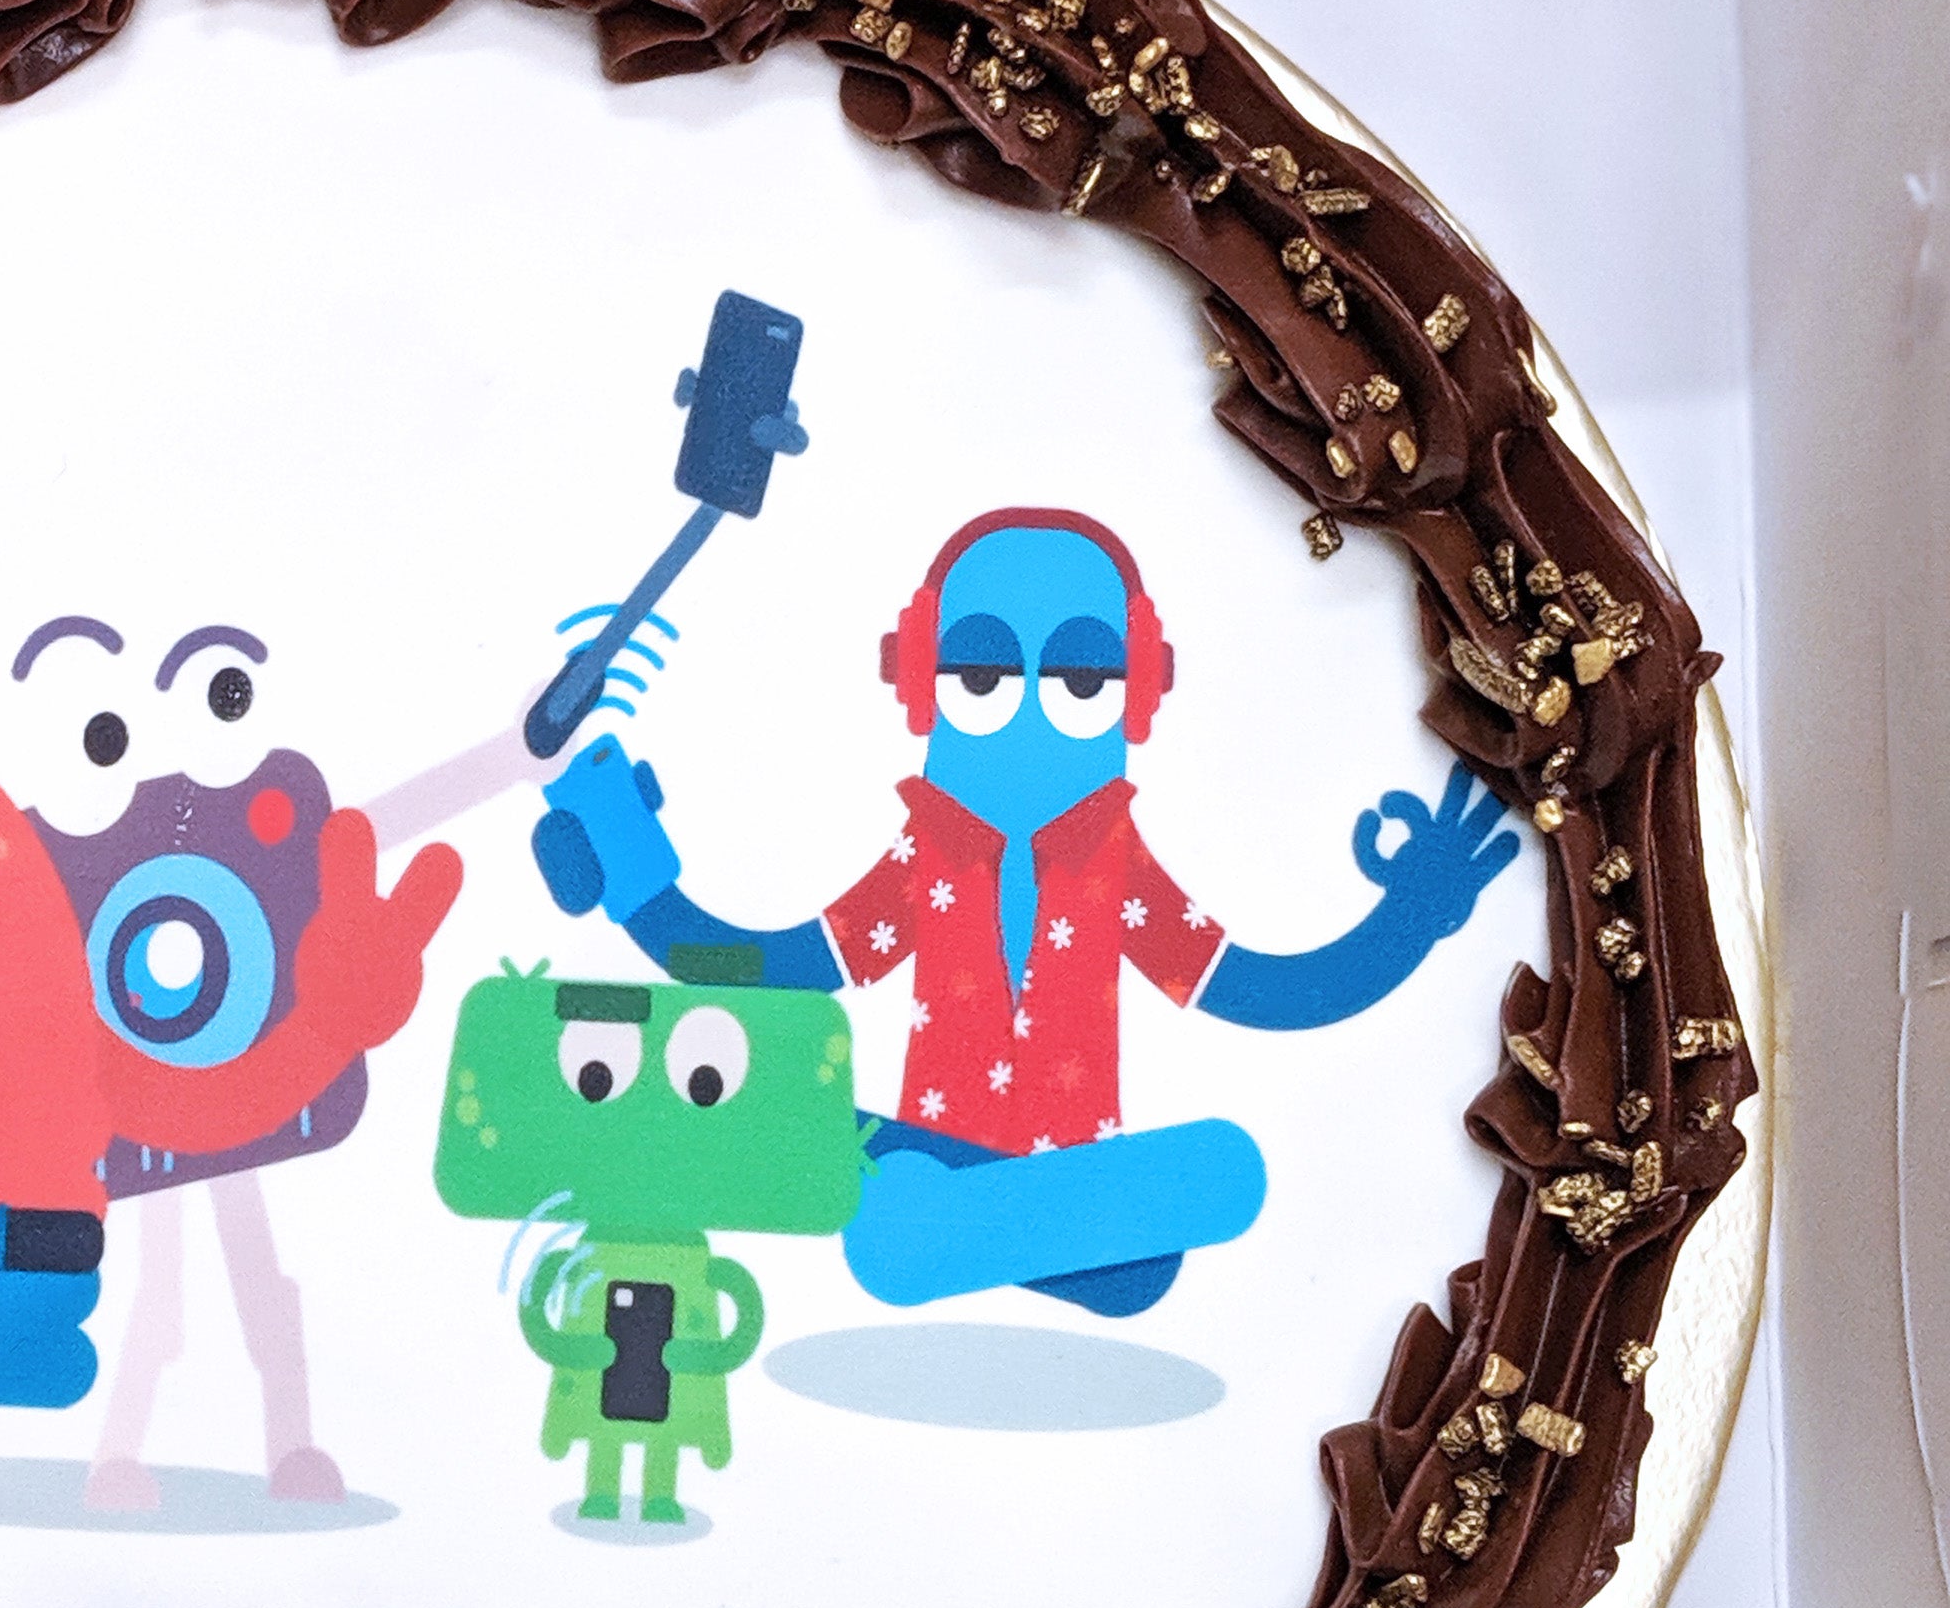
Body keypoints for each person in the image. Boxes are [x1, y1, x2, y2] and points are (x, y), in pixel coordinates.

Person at [531, 506, 1519, 1317]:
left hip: (1023, 1187)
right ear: (922, 684)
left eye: (1083, 680)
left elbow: (1272, 991)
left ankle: (971, 1230)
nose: (1036, 712)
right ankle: (1003, 1232)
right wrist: (636, 883)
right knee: (776, 1101)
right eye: (982, 677)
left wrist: (1412, 915)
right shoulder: (924, 863)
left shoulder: (1115, 873)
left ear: (1137, 693)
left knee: (1221, 1176)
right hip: (947, 1171)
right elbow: (770, 971)